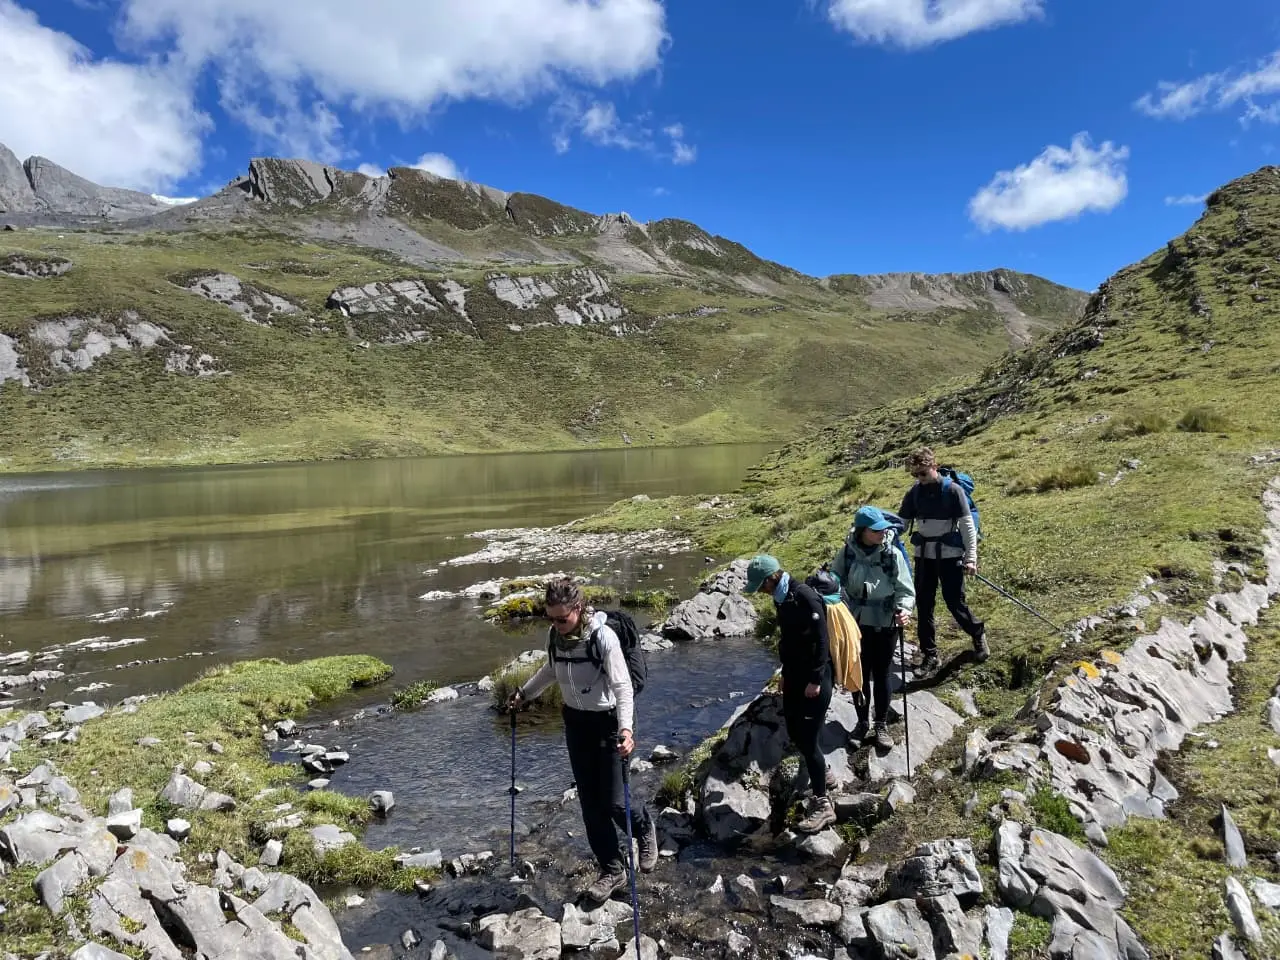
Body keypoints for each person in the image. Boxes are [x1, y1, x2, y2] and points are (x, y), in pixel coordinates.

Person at [507, 578, 658, 904]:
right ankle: (612, 870)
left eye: (562, 619)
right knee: (590, 805)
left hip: (609, 724)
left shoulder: (602, 638)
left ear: (578, 609)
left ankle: (643, 827)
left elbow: (622, 688)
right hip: (576, 724)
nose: (556, 625)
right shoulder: (555, 637)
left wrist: (627, 730)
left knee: (615, 802)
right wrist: (525, 694)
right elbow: (551, 670)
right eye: (551, 619)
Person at [744, 554, 837, 834]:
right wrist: (785, 673)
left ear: (772, 578)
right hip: (795, 675)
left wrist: (816, 679)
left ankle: (823, 805)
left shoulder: (805, 597)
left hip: (814, 679)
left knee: (807, 740)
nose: (761, 592)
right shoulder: (781, 599)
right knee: (796, 733)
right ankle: (826, 773)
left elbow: (823, 640)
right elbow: (788, 640)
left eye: (761, 586)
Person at [829, 506, 916, 749]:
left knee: (881, 674)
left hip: (886, 623)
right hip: (855, 625)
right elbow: (835, 579)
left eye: (882, 529)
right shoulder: (847, 553)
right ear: (862, 531)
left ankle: (880, 725)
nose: (881, 533)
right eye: (875, 530)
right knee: (858, 675)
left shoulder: (892, 554)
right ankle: (861, 723)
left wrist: (905, 610)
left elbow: (905, 589)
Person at [897, 447, 986, 675]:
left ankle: (977, 634)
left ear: (934, 466)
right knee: (924, 605)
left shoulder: (953, 491)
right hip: (923, 557)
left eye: (923, 473)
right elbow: (902, 524)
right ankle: (930, 655)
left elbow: (967, 526)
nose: (920, 479)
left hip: (949, 558)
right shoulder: (914, 493)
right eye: (916, 475)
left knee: (954, 602)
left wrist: (971, 558)